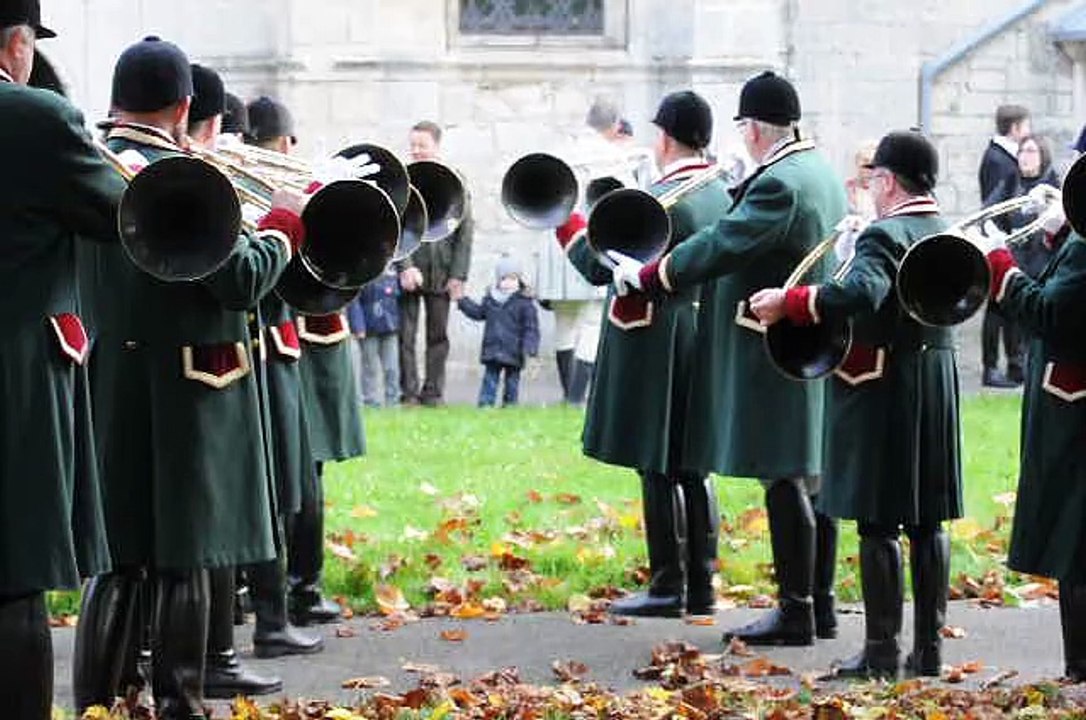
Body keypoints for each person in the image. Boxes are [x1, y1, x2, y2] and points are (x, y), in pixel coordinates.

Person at [71, 38, 305, 718]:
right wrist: (284, 222)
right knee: (186, 551)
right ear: (182, 106)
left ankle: (100, 700)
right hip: (194, 388)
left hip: (115, 380)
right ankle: (182, 703)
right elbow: (241, 279)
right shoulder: (174, 175)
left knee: (120, 556)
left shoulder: (91, 160)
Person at [610, 71, 846, 644]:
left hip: (775, 343)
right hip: (811, 337)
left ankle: (795, 613)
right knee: (812, 476)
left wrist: (652, 273)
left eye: (744, 128)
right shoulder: (818, 170)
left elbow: (726, 240)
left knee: (784, 475)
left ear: (755, 129)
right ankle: (820, 604)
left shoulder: (781, 182)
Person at [749, 131, 963, 678]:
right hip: (936, 385)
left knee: (878, 524)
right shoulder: (945, 229)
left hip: (885, 387)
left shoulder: (883, 235)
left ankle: (882, 652)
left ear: (887, 181)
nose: (869, 189)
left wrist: (790, 301)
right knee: (928, 523)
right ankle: (930, 652)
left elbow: (859, 295)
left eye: (873, 180)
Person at [554, 90, 729, 617]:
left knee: (657, 464)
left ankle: (667, 584)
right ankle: (701, 583)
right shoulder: (720, 191)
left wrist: (567, 214)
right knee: (696, 465)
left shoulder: (666, 198)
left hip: (658, 339)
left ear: (668, 138)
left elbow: (594, 262)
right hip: (703, 336)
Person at [0, 3, 126, 714]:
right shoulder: (35, 117)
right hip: (13, 382)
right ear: (19, 43)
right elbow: (122, 213)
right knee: (14, 579)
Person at [192, 72, 323, 700]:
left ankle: (268, 615)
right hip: (241, 354)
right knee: (255, 493)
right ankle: (265, 620)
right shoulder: (201, 181)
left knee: (265, 491)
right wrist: (279, 225)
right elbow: (246, 274)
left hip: (253, 350)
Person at [246, 95, 360, 626]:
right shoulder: (286, 195)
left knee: (282, 477)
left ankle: (278, 590)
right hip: (286, 345)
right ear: (288, 144)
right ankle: (299, 591)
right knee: (298, 478)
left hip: (286, 342)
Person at [985, 192, 1085, 684]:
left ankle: (1080, 665)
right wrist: (1058, 236)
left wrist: (998, 265)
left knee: (1075, 534)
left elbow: (1049, 311)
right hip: (1069, 396)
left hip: (1075, 404)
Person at [398, 120, 473, 406]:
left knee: (438, 335)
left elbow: (465, 232)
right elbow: (396, 226)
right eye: (413, 145)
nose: (416, 150)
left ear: (437, 147)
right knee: (405, 336)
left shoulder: (456, 181)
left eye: (422, 145)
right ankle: (408, 393)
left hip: (442, 271)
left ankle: (433, 393)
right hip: (412, 269)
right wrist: (405, 267)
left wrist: (458, 275)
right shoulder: (402, 180)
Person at [978, 104, 1031, 388]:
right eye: (1025, 126)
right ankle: (991, 368)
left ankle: (1013, 364)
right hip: (998, 239)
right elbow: (996, 203)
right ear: (1014, 128)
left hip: (1003, 239)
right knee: (997, 307)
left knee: (1004, 306)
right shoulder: (999, 160)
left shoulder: (1002, 157)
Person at [457, 255, 540, 407]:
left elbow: (531, 329)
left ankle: (510, 405)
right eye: (505, 279)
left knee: (512, 381)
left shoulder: (525, 303)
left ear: (519, 280)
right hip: (493, 349)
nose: (509, 283)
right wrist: (462, 301)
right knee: (490, 378)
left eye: (513, 279)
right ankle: (485, 404)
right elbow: (478, 312)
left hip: (514, 351)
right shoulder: (490, 300)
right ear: (498, 280)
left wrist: (530, 349)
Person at [347, 267, 402, 407]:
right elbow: (354, 301)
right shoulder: (360, 272)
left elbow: (398, 294)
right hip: (368, 328)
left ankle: (393, 400)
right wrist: (358, 326)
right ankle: (369, 400)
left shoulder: (393, 270)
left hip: (389, 327)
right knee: (369, 367)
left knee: (392, 367)